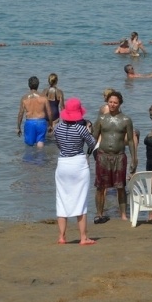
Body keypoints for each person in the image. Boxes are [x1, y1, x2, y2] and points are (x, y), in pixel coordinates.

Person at [53, 98, 97, 245]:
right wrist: (89, 130)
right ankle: (83, 237)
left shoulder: (57, 128)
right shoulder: (81, 128)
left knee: (61, 199)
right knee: (81, 200)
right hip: (78, 163)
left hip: (63, 163)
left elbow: (59, 145)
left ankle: (61, 236)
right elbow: (93, 144)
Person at [92, 91, 137, 223]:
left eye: (115, 103)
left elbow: (130, 141)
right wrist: (86, 155)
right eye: (110, 102)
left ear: (120, 104)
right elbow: (93, 138)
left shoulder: (126, 120)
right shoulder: (101, 119)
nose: (112, 104)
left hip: (119, 156)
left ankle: (123, 215)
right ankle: (99, 214)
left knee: (121, 186)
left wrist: (134, 159)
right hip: (103, 156)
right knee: (100, 187)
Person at [17, 76, 53, 148]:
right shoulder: (44, 97)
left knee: (29, 145)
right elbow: (49, 112)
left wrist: (18, 127)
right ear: (38, 85)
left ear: (28, 85)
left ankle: (30, 155)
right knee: (40, 143)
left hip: (30, 122)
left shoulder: (24, 98)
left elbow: (20, 114)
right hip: (41, 122)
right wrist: (50, 125)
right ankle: (40, 154)